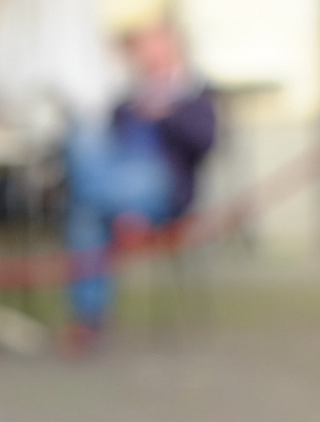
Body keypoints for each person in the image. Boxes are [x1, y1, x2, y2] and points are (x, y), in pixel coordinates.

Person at [61, 22, 217, 352]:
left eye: (151, 45)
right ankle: (90, 318)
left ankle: (88, 319)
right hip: (117, 179)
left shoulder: (196, 94)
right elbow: (108, 148)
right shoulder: (126, 99)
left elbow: (205, 142)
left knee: (86, 208)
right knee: (82, 140)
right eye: (141, 47)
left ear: (172, 48)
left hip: (163, 187)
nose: (143, 53)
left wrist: (165, 115)